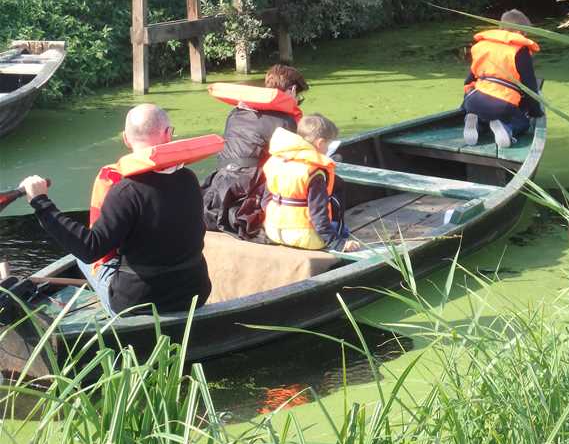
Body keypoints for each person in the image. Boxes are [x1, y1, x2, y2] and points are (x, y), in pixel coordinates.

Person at [18, 104, 218, 316]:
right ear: (168, 134)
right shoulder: (189, 179)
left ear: (125, 138)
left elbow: (89, 249)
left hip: (140, 302)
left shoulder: (125, 191)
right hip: (193, 293)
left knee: (79, 258)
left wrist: (40, 201)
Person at [203, 64, 309, 239]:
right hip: (251, 185)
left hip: (222, 182)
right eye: (298, 95)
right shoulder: (285, 121)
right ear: (292, 90)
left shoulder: (238, 111)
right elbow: (294, 160)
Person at [262, 113, 360, 253]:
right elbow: (318, 214)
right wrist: (337, 243)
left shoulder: (276, 160)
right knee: (338, 193)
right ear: (320, 143)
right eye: (328, 145)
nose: (327, 149)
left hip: (273, 232)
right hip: (304, 237)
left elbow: (265, 201)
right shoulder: (314, 172)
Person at [462, 9, 544, 148]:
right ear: (520, 32)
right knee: (522, 123)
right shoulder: (520, 51)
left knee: (485, 115)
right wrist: (536, 112)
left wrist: (465, 104)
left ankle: (476, 122)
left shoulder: (482, 46)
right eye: (525, 33)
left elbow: (469, 81)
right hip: (502, 104)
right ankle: (508, 129)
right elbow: (529, 86)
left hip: (473, 100)